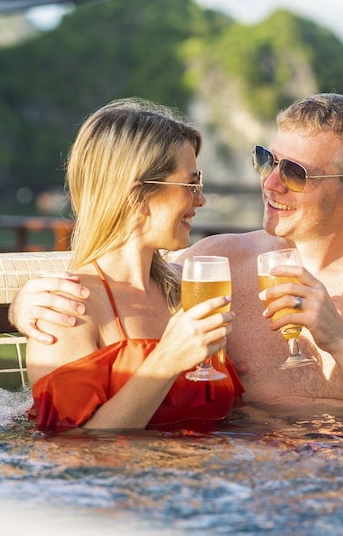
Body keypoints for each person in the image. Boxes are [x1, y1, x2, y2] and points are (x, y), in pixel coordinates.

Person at [11, 93, 343, 416]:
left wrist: (340, 339)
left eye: (295, 172)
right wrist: (22, 303)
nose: (270, 182)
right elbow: (120, 279)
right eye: (268, 160)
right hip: (235, 480)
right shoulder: (215, 263)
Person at [26, 98, 243, 432]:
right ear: (139, 196)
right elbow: (68, 454)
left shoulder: (189, 291)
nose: (201, 199)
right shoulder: (68, 311)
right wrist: (167, 360)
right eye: (191, 184)